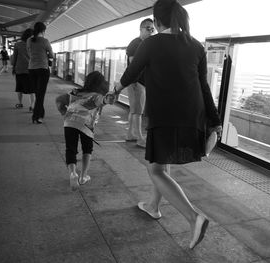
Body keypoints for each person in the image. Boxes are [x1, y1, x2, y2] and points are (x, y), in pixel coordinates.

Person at [112, 0, 222, 249]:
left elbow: (132, 72)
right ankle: (153, 207)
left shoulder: (151, 43)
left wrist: (115, 89)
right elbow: (204, 86)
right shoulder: (195, 46)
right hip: (193, 114)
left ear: (157, 20)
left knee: (155, 169)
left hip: (165, 114)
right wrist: (215, 120)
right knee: (163, 162)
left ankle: (194, 217)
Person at [55, 71, 115, 191]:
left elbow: (59, 100)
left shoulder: (75, 92)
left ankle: (73, 173)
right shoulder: (97, 95)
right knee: (87, 149)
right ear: (101, 84)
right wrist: (109, 98)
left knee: (70, 149)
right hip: (86, 126)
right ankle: (83, 177)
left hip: (70, 122)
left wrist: (64, 113)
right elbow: (105, 101)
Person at [125, 18, 155, 148]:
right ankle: (140, 138)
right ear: (141, 29)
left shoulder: (145, 44)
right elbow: (133, 65)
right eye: (148, 28)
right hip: (137, 82)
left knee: (134, 110)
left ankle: (130, 134)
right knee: (138, 111)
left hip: (139, 83)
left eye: (152, 29)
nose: (151, 31)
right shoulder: (135, 44)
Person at [27, 22, 53, 124]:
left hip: (32, 68)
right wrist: (45, 55)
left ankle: (40, 113)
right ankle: (37, 116)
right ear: (43, 31)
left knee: (38, 93)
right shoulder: (45, 41)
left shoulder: (29, 40)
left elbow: (29, 53)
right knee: (41, 94)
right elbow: (51, 55)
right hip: (43, 69)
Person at [11, 28, 35, 110]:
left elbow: (14, 57)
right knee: (32, 89)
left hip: (20, 69)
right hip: (31, 69)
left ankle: (20, 103)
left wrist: (13, 66)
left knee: (19, 87)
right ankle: (32, 105)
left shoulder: (18, 44)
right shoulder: (34, 44)